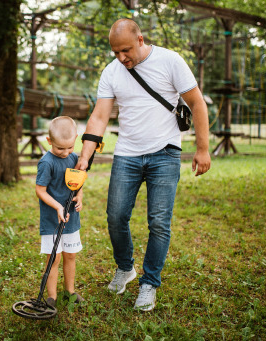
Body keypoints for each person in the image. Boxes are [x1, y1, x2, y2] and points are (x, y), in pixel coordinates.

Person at [76, 18, 211, 311]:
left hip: (165, 153)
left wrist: (202, 148)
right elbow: (99, 117)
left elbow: (197, 103)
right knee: (115, 216)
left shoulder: (170, 61)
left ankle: (149, 283)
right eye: (115, 52)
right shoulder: (112, 72)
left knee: (159, 223)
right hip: (127, 154)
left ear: (140, 39)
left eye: (125, 50)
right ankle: (125, 268)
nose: (121, 57)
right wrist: (83, 157)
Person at [36, 116, 85, 307]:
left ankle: (70, 291)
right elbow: (40, 190)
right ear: (49, 141)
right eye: (60, 148)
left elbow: (78, 181)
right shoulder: (46, 163)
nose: (65, 153)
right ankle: (52, 297)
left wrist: (79, 196)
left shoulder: (74, 158)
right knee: (53, 258)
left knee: (70, 255)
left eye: (70, 147)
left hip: (70, 219)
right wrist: (57, 206)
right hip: (52, 220)